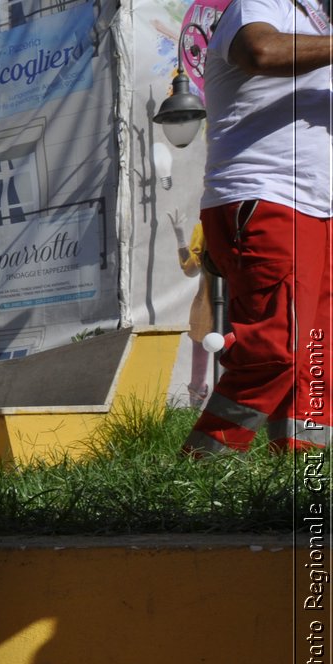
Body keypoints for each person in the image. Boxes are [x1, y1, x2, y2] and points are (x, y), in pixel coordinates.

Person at [182, 0, 331, 455]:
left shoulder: (315, 24)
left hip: (315, 207)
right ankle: (198, 468)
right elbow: (259, 50)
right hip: (266, 197)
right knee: (278, 350)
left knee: (316, 359)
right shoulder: (263, 3)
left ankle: (302, 479)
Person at [169, 211, 218, 407]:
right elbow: (191, 269)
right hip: (206, 306)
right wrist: (181, 240)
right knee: (199, 371)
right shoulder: (204, 228)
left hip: (237, 304)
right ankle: (193, 414)